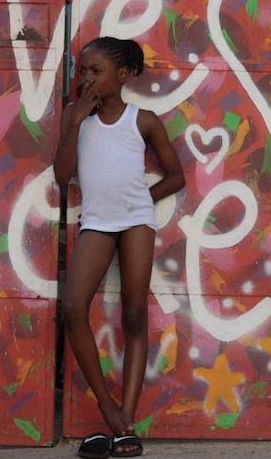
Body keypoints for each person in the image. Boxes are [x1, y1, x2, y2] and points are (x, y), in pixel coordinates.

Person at [54, 37, 185, 458]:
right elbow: (62, 175)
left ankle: (126, 420)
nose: (87, 78)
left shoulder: (141, 121)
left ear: (123, 75)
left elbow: (175, 175)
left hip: (136, 224)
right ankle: (109, 410)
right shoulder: (75, 118)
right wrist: (75, 121)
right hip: (97, 222)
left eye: (96, 71)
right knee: (73, 307)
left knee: (132, 314)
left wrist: (145, 200)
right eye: (82, 70)